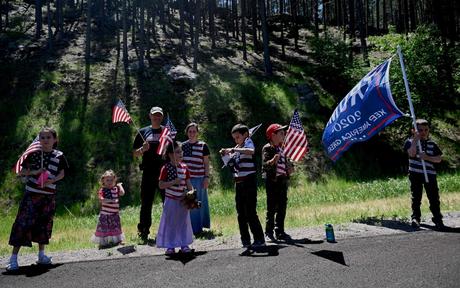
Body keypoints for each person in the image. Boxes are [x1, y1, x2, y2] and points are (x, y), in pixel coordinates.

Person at [7, 127, 68, 271]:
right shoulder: (33, 154)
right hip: (32, 195)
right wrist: (34, 171)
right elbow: (19, 171)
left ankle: (41, 256)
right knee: (23, 223)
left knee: (44, 224)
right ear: (38, 140)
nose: (45, 140)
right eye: (42, 138)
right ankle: (13, 259)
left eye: (48, 138)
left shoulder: (59, 156)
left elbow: (62, 173)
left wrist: (51, 181)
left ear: (55, 140)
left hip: (48, 196)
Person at [220, 124, 265, 248]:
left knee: (250, 212)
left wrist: (234, 150)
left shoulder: (247, 142)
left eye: (238, 137)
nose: (236, 140)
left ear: (245, 135)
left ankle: (259, 239)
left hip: (249, 181)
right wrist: (225, 155)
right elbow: (231, 165)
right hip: (239, 183)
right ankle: (245, 239)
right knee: (241, 213)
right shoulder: (237, 147)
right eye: (234, 138)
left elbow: (251, 151)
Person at [403, 119, 445, 230]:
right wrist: (416, 139)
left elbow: (439, 159)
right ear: (413, 130)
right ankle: (416, 217)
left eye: (426, 130)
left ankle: (437, 218)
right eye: (420, 130)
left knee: (434, 197)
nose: (423, 132)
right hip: (415, 173)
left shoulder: (432, 144)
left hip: (430, 174)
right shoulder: (410, 142)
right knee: (416, 196)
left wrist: (427, 157)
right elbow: (411, 153)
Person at [132, 106, 166, 242]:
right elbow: (134, 153)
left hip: (164, 172)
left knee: (167, 202)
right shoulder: (142, 131)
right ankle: (144, 230)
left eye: (159, 115)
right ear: (150, 116)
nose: (156, 117)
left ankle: (169, 229)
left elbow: (174, 150)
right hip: (148, 172)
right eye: (154, 115)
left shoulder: (166, 131)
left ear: (162, 117)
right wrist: (142, 149)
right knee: (146, 203)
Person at [156, 141, 194, 255]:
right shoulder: (166, 168)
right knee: (171, 223)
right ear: (170, 154)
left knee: (183, 223)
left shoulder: (184, 167)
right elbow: (161, 185)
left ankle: (184, 244)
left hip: (182, 200)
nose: (180, 154)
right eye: (177, 152)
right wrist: (173, 182)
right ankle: (170, 246)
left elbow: (189, 184)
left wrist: (191, 194)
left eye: (181, 151)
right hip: (171, 200)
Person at [262, 124, 295, 242]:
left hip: (282, 180)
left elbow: (288, 163)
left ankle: (280, 231)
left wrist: (290, 167)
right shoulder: (268, 148)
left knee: (282, 206)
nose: (284, 134)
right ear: (273, 135)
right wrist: (272, 161)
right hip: (272, 181)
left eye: (283, 132)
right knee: (271, 207)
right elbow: (265, 165)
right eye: (281, 133)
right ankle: (269, 232)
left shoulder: (283, 148)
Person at [182, 123, 211, 235]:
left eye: (194, 131)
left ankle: (199, 228)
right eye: (190, 131)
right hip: (187, 179)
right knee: (189, 203)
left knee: (199, 203)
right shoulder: (183, 146)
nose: (192, 134)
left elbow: (206, 163)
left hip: (200, 178)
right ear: (187, 133)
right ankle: (190, 228)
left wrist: (206, 177)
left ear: (197, 133)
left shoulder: (203, 146)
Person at [92, 170, 126, 248]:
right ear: (103, 180)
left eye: (111, 180)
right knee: (104, 228)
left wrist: (120, 185)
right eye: (107, 180)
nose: (110, 182)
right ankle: (103, 243)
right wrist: (111, 200)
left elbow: (122, 193)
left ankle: (117, 241)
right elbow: (101, 199)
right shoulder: (102, 190)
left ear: (114, 180)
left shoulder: (116, 189)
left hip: (115, 214)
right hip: (105, 214)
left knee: (116, 228)